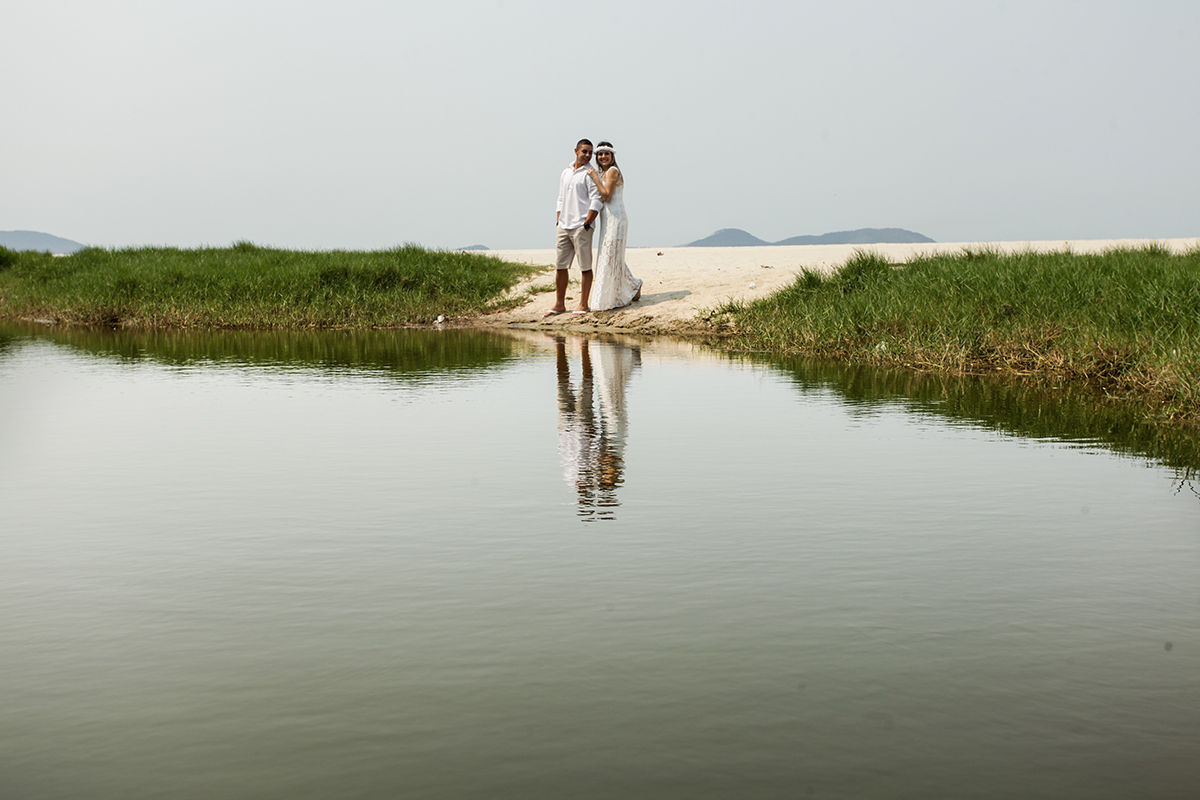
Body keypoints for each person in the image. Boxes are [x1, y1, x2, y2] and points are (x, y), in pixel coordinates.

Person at [548, 139, 603, 316]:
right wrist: (559, 218)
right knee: (560, 266)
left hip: (582, 226)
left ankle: (583, 304)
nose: (587, 155)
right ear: (576, 151)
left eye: (590, 152)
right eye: (584, 151)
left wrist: (587, 222)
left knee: (585, 266)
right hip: (564, 226)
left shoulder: (590, 173)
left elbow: (597, 199)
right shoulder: (565, 172)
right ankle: (559, 304)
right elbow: (560, 198)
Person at [587, 141, 642, 311]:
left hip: (616, 219)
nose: (603, 157)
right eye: (600, 154)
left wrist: (595, 178)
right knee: (609, 256)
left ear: (612, 156)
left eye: (606, 154)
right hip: (607, 220)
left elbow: (606, 196)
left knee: (610, 256)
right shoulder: (604, 173)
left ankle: (610, 298)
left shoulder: (612, 171)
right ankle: (634, 284)